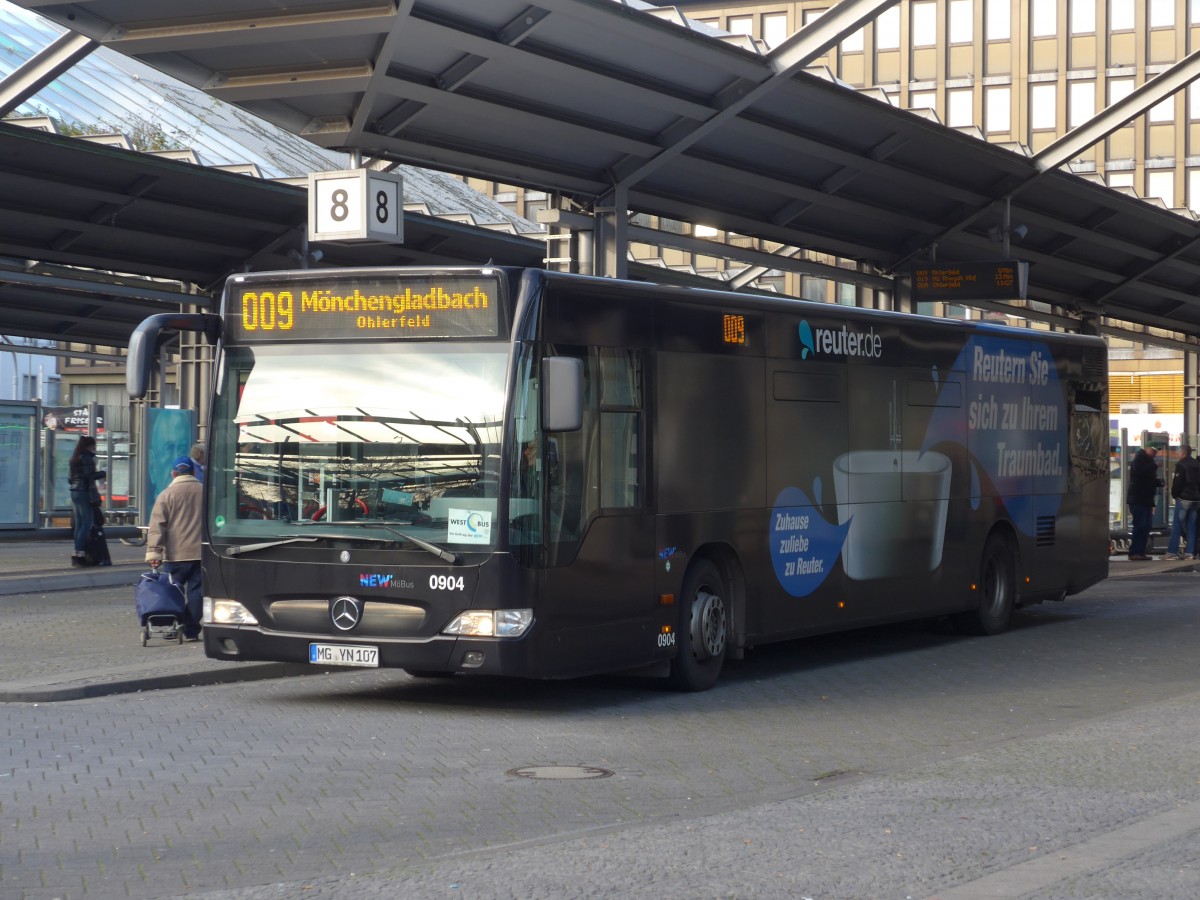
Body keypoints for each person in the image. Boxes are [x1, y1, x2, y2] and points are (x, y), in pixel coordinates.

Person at [146, 456, 204, 641]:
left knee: (174, 594)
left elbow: (157, 526)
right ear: (194, 472)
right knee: (198, 594)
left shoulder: (166, 495)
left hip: (175, 555)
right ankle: (190, 629)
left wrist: (154, 552)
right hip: (201, 554)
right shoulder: (206, 492)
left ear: (173, 474)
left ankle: (175, 626)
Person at [67, 435, 105, 567]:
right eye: (93, 445)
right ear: (90, 445)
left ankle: (76, 554)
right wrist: (103, 473)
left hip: (74, 491)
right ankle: (79, 554)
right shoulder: (87, 457)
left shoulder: (74, 458)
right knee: (86, 523)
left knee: (79, 524)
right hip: (84, 492)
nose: (94, 448)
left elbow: (70, 478)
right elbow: (90, 477)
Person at [1163, 444, 1200, 560]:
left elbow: (1178, 483)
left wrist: (1175, 495)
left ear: (1183, 453)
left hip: (1184, 498)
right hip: (1196, 499)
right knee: (1192, 526)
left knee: (1177, 525)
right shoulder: (1197, 464)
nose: (1177, 454)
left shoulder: (1181, 465)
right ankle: (1190, 553)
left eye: (1178, 452)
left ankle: (1172, 552)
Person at [1126, 445, 1162, 560]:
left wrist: (1157, 482)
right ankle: (1135, 552)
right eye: (1154, 451)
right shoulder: (1139, 459)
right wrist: (1154, 466)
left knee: (1146, 526)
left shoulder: (1148, 461)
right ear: (1147, 449)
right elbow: (1138, 474)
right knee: (1140, 525)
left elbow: (1146, 478)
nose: (1155, 454)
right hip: (1138, 499)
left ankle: (1140, 551)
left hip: (1145, 499)